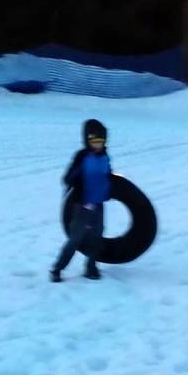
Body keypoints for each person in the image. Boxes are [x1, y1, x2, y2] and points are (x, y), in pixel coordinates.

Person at [51, 119, 111, 282]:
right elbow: (67, 178)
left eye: (100, 141)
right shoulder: (82, 157)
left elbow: (108, 175)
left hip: (98, 204)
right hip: (82, 205)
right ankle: (57, 269)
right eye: (94, 141)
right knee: (76, 239)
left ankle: (91, 267)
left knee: (97, 237)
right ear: (87, 140)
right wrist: (74, 180)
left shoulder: (105, 156)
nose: (97, 144)